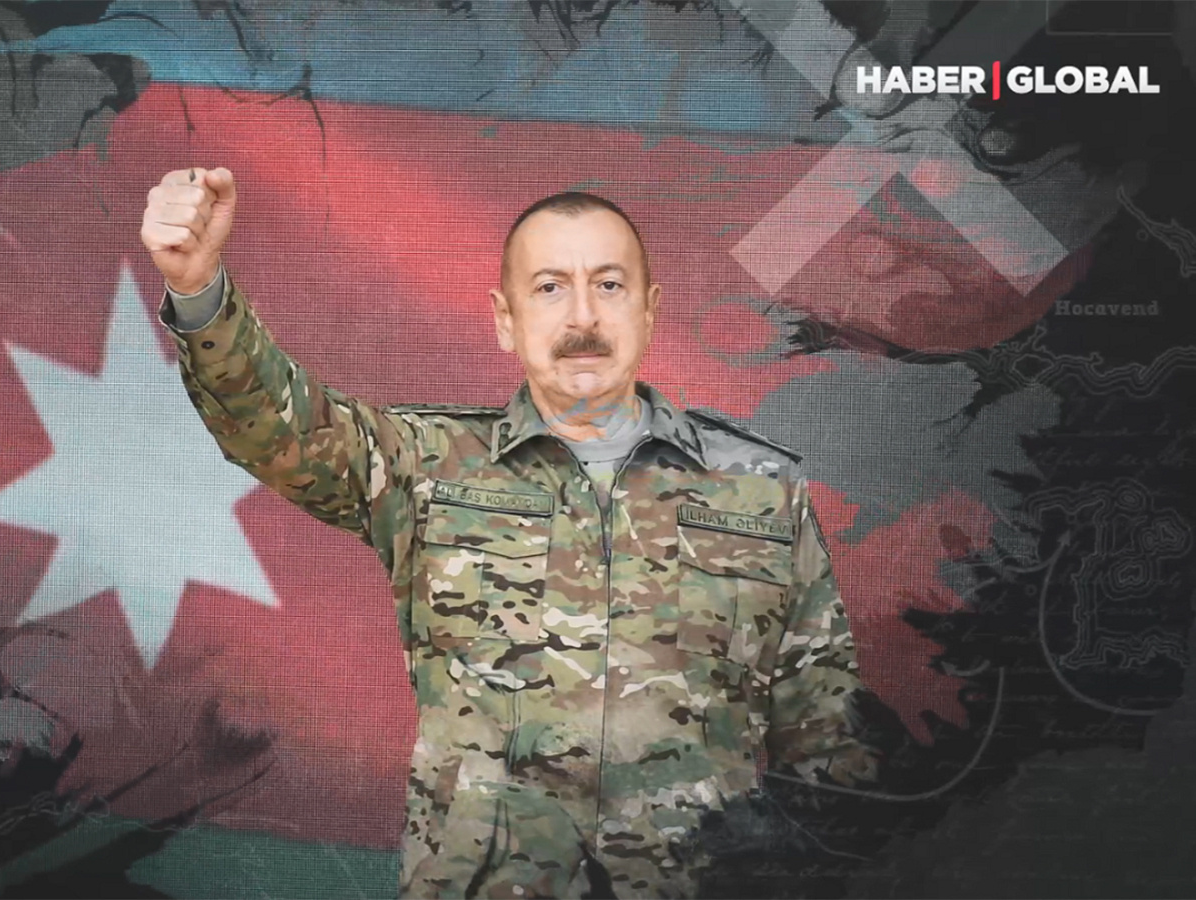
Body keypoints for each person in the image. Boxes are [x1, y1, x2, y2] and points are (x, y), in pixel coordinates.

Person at [141, 167, 877, 899]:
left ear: (650, 310)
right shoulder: (427, 468)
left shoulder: (759, 487)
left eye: (609, 285)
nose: (583, 316)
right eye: (550, 287)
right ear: (505, 318)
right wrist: (199, 290)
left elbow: (826, 733)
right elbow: (279, 427)